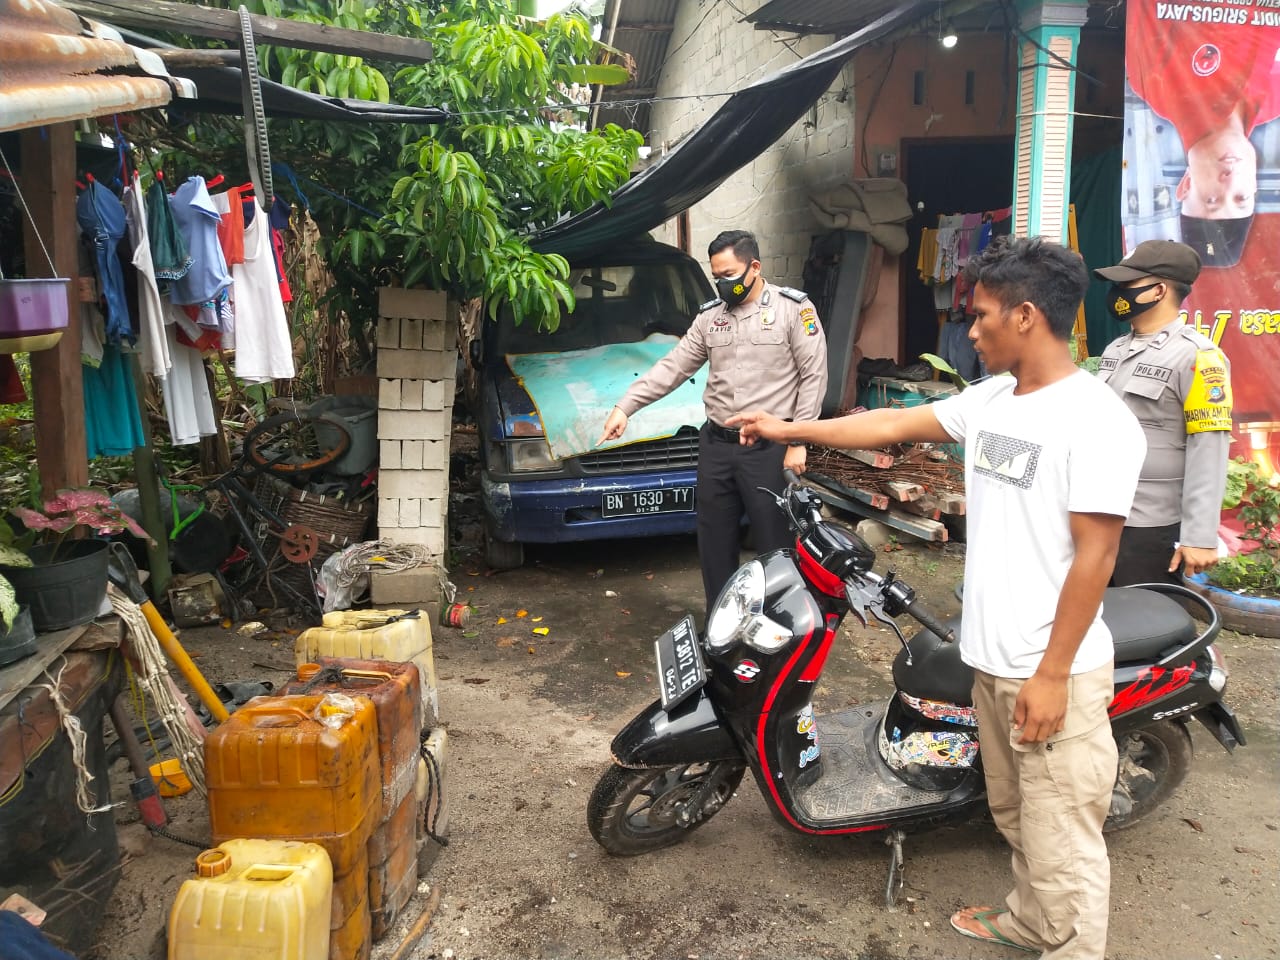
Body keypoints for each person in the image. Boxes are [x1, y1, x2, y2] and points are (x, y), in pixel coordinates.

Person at [729, 236, 1146, 960]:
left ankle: (1071, 945)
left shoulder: (1095, 420)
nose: (970, 330)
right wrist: (789, 428)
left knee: (1064, 839)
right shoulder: (994, 398)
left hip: (1053, 670)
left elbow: (1096, 556)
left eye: (980, 315)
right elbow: (888, 424)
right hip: (991, 659)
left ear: (1025, 315)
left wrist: (1051, 676)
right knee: (1015, 812)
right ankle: (1031, 922)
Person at [598, 229, 828, 613]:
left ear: (755, 267)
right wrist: (626, 406)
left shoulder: (793, 310)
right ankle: (721, 627)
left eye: (730, 275)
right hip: (717, 447)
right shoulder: (710, 318)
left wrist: (798, 440)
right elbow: (674, 366)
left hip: (769, 449)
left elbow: (814, 375)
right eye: (716, 276)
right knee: (715, 543)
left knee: (775, 545)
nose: (723, 283)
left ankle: (780, 626)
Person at [1093, 240, 1233, 586]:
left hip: (1150, 526)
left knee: (1143, 613)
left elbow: (1208, 446)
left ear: (1158, 290)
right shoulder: (1115, 350)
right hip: (1099, 512)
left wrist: (1199, 536)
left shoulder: (1197, 357)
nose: (1118, 292)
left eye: (1128, 283)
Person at [1125, 0, 1280, 265]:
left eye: (1211, 199)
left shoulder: (1152, 79)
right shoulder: (1276, 101)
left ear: (1185, 185)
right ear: (1255, 187)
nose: (1229, 181)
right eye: (1241, 197)